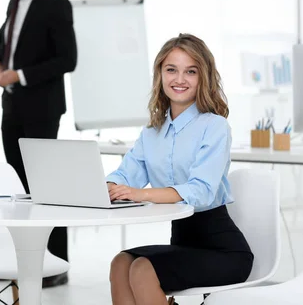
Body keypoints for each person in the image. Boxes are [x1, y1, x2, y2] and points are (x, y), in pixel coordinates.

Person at [107, 34, 254, 305]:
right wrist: (107, 188)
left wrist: (141, 194)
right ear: (160, 74)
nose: (179, 79)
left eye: (191, 71)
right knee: (121, 262)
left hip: (223, 249)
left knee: (142, 269)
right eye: (171, 69)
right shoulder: (152, 132)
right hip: (183, 242)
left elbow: (200, 191)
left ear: (203, 77)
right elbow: (125, 175)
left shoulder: (215, 126)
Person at [0, 0, 77, 288]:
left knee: (47, 188)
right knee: (20, 187)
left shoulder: (56, 4)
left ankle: (56, 265)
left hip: (41, 109)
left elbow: (67, 59)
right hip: (12, 107)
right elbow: (0, 45)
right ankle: (27, 263)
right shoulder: (14, 3)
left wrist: (19, 75)